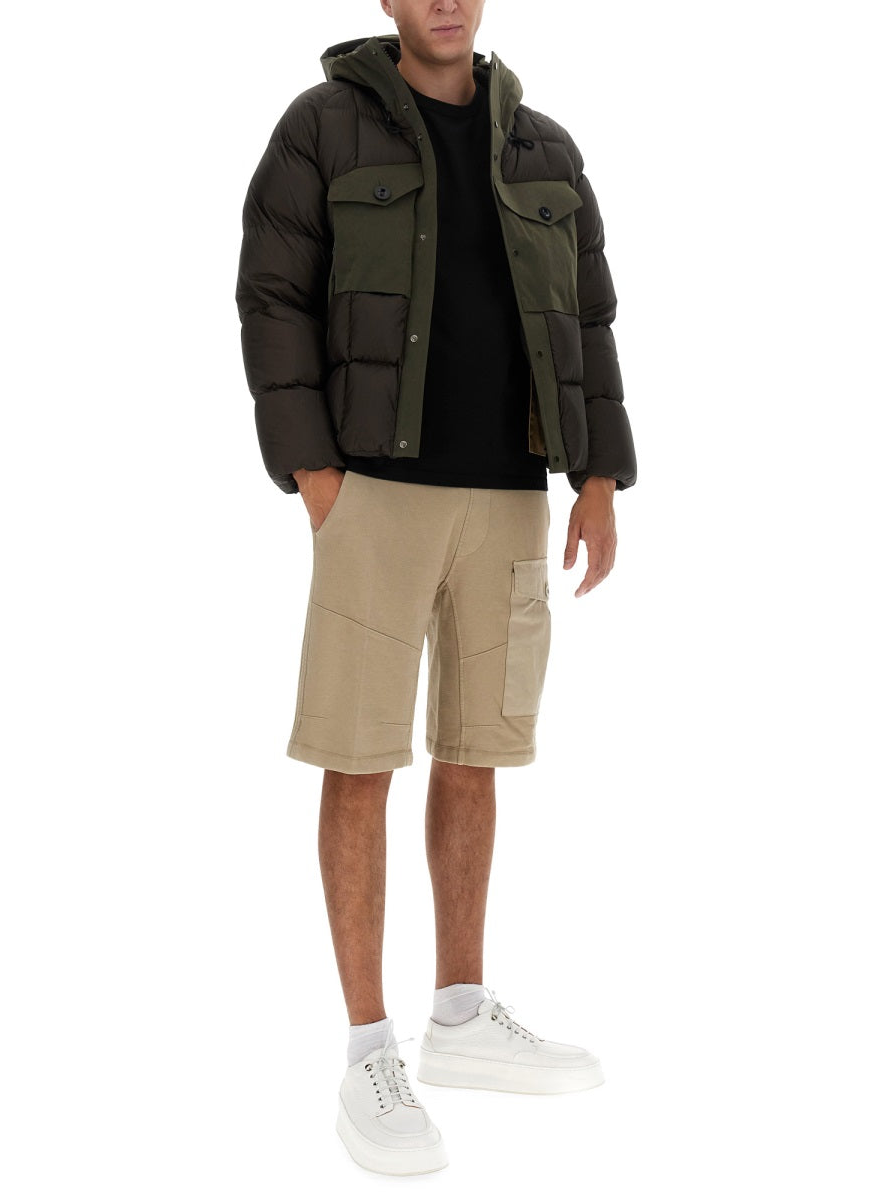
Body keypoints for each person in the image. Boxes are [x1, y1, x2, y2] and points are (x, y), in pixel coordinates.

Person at [235, 0, 637, 1176]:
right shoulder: (322, 127)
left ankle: (459, 1016)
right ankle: (369, 1050)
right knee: (359, 760)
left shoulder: (545, 148)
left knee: (476, 754)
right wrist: (316, 476)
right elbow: (272, 296)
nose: (447, 0)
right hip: (376, 492)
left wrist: (599, 475)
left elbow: (590, 319)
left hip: (511, 492)